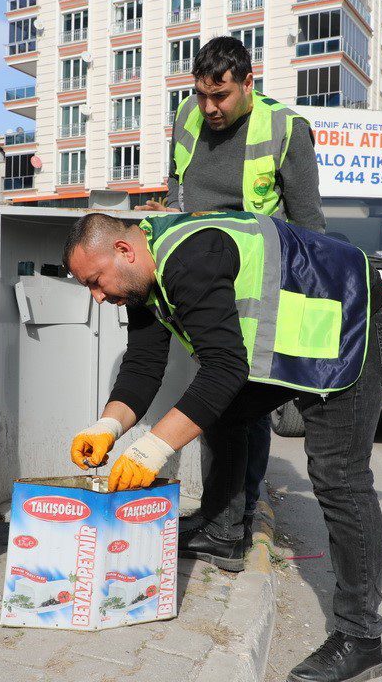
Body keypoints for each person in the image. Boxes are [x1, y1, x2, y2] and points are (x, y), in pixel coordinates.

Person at [64, 211, 382, 682]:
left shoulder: (189, 259)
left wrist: (150, 450)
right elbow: (142, 365)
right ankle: (223, 532)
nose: (99, 297)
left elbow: (224, 369)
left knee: (338, 476)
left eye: (95, 282)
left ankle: (361, 639)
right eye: (89, 289)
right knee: (224, 408)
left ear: (123, 251)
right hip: (294, 339)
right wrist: (106, 427)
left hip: (349, 322)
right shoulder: (143, 276)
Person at [137, 35, 326, 554]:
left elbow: (309, 223)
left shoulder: (285, 128)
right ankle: (224, 519)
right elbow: (176, 193)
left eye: (219, 96)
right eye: (201, 94)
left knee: (242, 400)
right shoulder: (186, 117)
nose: (209, 108)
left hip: (258, 287)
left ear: (248, 82)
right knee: (222, 399)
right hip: (201, 279)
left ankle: (234, 517)